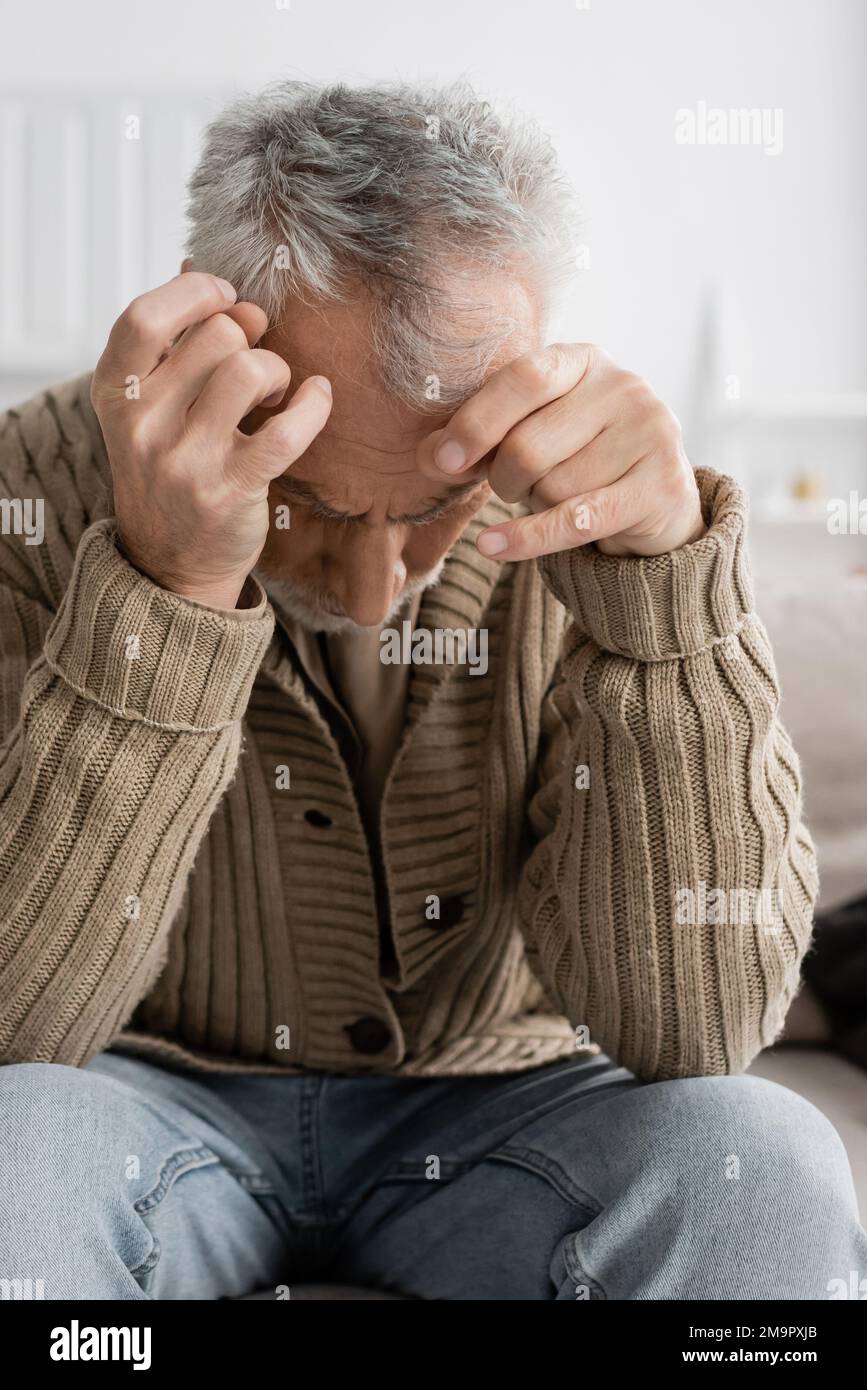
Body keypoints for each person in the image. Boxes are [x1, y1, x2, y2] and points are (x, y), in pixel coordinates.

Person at [0, 79, 863, 1300]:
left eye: (431, 510)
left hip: (510, 1109)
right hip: (137, 1095)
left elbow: (697, 1034)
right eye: (310, 499)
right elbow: (13, 1031)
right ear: (211, 341)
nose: (370, 591)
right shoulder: (24, 493)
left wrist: (662, 610)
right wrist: (171, 582)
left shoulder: (602, 505)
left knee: (761, 1156)